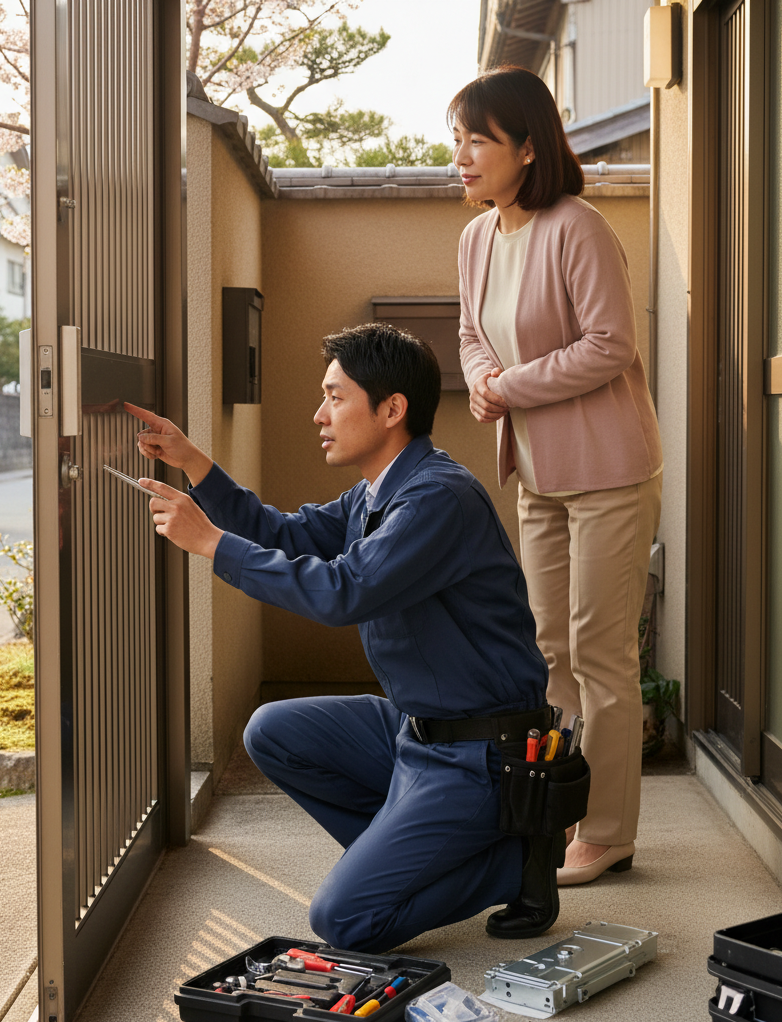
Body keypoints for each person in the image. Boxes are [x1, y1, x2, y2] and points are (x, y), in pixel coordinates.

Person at [125, 322, 558, 954]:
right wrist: (192, 461)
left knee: (344, 920)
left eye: (334, 396)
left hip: (481, 756)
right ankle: (408, 854)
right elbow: (287, 535)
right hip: (416, 731)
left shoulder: (436, 500)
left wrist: (210, 542)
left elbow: (342, 591)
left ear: (391, 410)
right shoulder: (377, 492)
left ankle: (517, 863)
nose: (319, 413)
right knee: (270, 731)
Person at [451, 66, 663, 885]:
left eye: (480, 140)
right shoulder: (477, 237)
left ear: (528, 146)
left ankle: (608, 832)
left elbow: (609, 343)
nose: (463, 156)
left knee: (601, 651)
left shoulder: (578, 226)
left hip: (608, 470)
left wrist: (507, 386)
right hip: (535, 472)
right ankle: (564, 808)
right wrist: (479, 376)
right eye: (458, 139)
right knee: (550, 649)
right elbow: (473, 332)